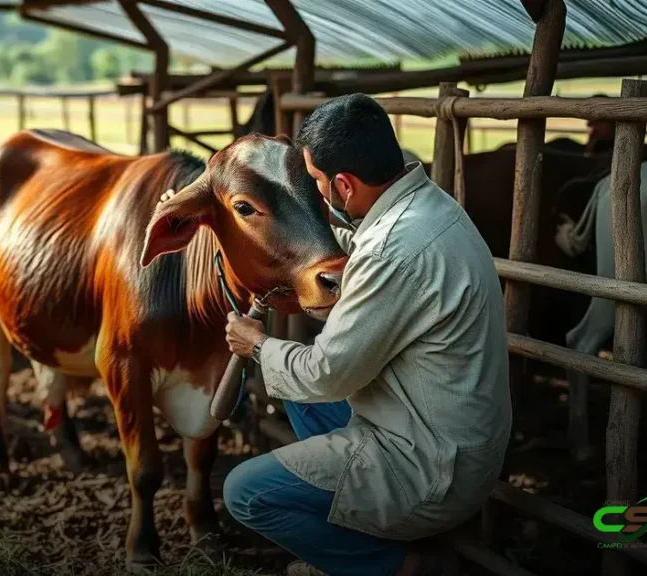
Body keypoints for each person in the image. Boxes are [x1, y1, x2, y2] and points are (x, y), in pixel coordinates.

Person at [219, 94, 512, 575]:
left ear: (342, 186)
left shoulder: (393, 254)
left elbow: (327, 374)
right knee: (296, 392)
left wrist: (257, 346)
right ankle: (356, 519)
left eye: (315, 184)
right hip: (446, 429)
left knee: (246, 493)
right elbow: (363, 245)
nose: (317, 193)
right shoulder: (428, 204)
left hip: (430, 466)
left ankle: (394, 566)